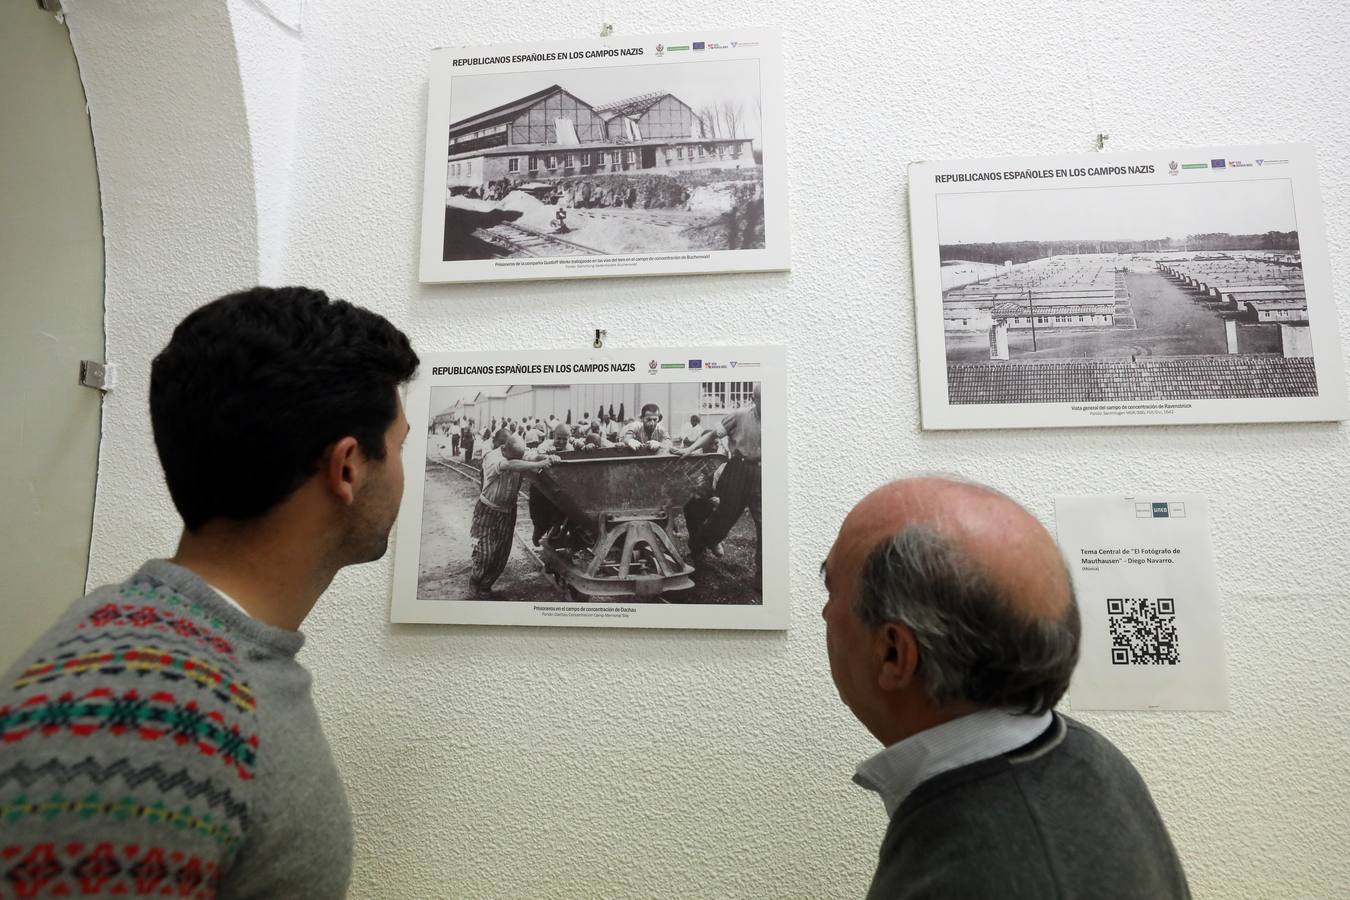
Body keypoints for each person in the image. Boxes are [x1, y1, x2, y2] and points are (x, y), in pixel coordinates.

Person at [0, 287, 418, 898]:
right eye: (402, 446)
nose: (406, 469)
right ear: (348, 466)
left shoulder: (179, 664)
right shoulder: (148, 706)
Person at [820, 477, 1190, 899]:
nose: (825, 611)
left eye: (830, 587)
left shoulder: (971, 882)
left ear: (893, 653)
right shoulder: (1082, 754)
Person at [676, 383, 761, 577]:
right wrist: (688, 450)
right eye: (763, 401)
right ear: (754, 400)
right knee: (724, 515)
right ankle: (702, 544)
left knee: (764, 523)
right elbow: (713, 435)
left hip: (762, 471)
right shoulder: (739, 416)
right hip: (739, 468)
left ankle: (762, 578)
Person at [470, 434, 556, 595]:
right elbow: (509, 465)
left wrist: (546, 456)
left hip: (508, 512)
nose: (520, 458)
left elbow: (531, 455)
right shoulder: (492, 457)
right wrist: (537, 464)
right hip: (487, 510)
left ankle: (485, 587)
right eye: (516, 456)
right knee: (485, 553)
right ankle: (475, 580)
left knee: (501, 554)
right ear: (503, 449)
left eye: (520, 455)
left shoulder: (518, 453)